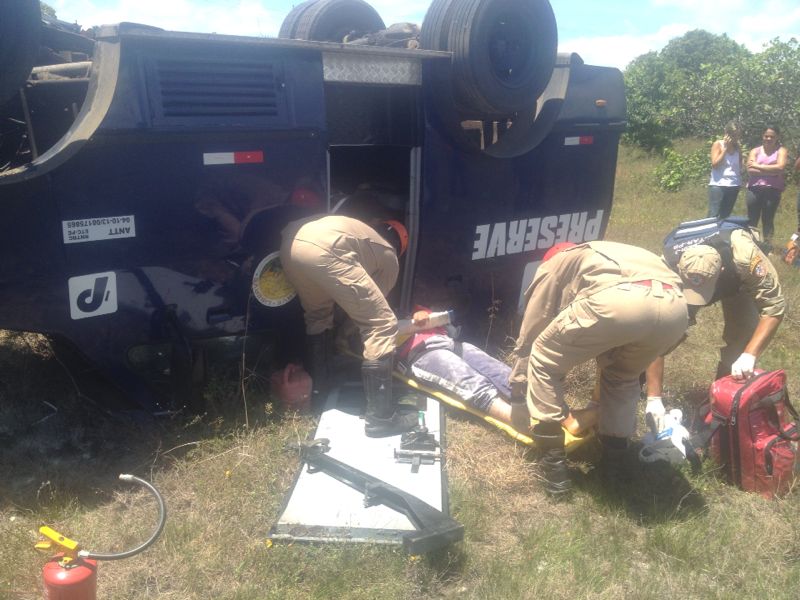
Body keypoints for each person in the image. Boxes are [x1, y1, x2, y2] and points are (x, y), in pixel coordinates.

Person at [508, 241, 690, 499]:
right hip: (675, 310)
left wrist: (518, 385)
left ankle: (554, 469)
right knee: (622, 377)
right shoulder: (615, 253)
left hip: (622, 301)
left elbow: (534, 322)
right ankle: (614, 468)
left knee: (544, 357)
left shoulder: (555, 264)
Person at [280, 213, 415, 437]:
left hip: (291, 245)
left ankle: (320, 392)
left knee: (318, 316)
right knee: (381, 325)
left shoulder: (359, 230)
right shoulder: (389, 256)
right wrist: (344, 334)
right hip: (325, 249)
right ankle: (381, 419)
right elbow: (368, 315)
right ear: (401, 246)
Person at [645, 218, 785, 425]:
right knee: (667, 330)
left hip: (739, 283)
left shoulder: (746, 258)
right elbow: (656, 330)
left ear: (721, 271)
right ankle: (640, 379)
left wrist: (749, 354)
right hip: (685, 280)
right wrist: (654, 399)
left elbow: (774, 306)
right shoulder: (668, 262)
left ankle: (721, 400)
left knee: (743, 335)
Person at [396, 307, 598, 435]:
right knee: (471, 382)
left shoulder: (411, 309)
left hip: (449, 342)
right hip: (419, 355)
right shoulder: (378, 323)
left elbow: (447, 323)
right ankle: (525, 425)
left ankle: (567, 418)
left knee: (504, 373)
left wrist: (425, 315)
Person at [745, 125, 788, 247]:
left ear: (777, 137)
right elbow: (750, 170)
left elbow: (780, 168)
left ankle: (767, 247)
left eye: (772, 136)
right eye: (766, 136)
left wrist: (758, 166)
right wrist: (772, 171)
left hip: (772, 191)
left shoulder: (781, 151)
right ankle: (751, 246)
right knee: (752, 219)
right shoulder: (755, 151)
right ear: (762, 136)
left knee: (768, 220)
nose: (768, 138)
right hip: (754, 189)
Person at [707, 121, 742, 219]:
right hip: (718, 184)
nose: (736, 138)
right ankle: (709, 233)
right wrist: (725, 149)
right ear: (727, 134)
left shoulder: (738, 147)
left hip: (734, 185)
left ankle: (721, 234)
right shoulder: (718, 144)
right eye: (733, 135)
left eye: (738, 135)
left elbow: (739, 166)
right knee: (713, 214)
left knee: (726, 215)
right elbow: (715, 164)